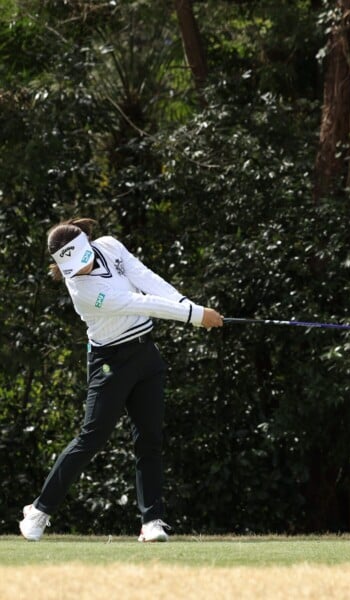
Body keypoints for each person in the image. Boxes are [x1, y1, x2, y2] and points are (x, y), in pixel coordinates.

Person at [19, 218, 224, 542]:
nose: (80, 271)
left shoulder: (110, 245)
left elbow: (145, 278)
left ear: (88, 244)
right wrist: (196, 317)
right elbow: (138, 302)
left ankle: (152, 522)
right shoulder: (84, 292)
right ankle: (40, 510)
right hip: (110, 364)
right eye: (73, 268)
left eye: (83, 261)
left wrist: (188, 305)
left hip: (145, 354)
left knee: (149, 439)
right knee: (92, 437)